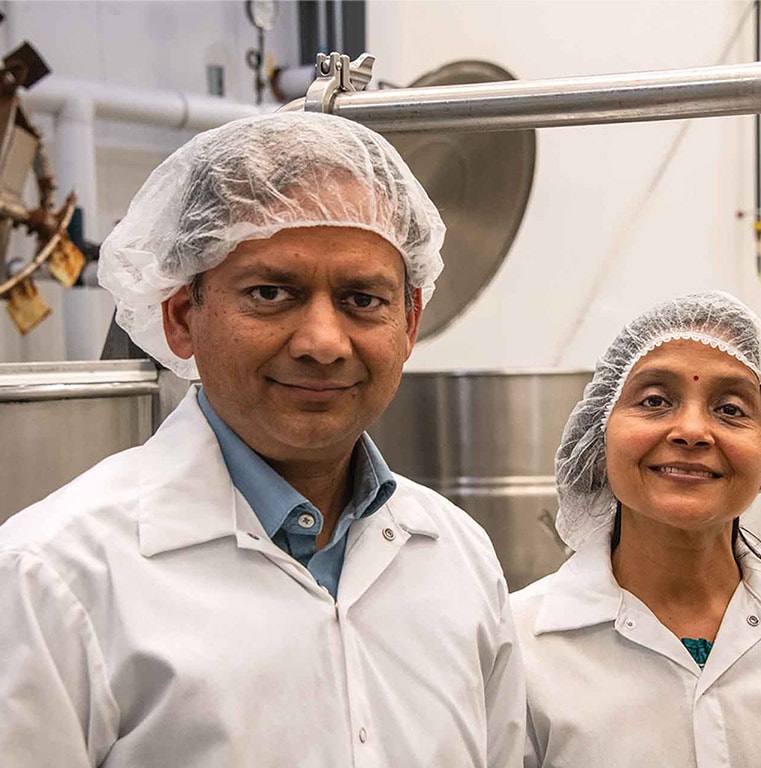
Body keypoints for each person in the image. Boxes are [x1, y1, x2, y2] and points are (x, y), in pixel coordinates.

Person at [0, 112, 524, 767]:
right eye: (271, 292)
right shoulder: (55, 575)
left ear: (410, 323)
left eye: (363, 299)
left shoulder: (459, 558)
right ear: (182, 317)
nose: (323, 344)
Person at [512, 291, 761, 767]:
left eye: (730, 409)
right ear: (599, 435)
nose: (692, 431)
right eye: (655, 400)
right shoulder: (518, 649)